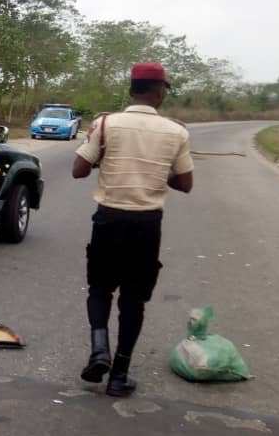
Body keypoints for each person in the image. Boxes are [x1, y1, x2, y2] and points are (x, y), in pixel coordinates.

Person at [72, 62, 194, 398]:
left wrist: (101, 155)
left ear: (131, 89)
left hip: (108, 220)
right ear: (158, 91)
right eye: (165, 89)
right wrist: (158, 171)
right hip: (145, 226)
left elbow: (78, 170)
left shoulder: (106, 124)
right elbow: (186, 183)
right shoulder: (176, 132)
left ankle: (100, 350)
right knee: (133, 300)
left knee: (99, 289)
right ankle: (119, 376)